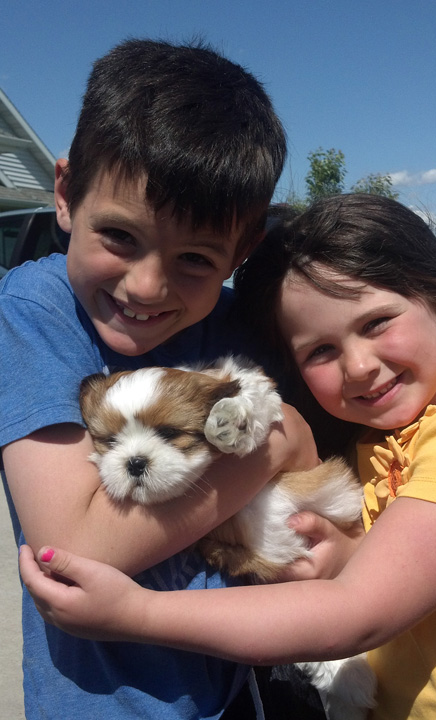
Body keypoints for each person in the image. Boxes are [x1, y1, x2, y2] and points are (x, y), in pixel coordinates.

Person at [20, 194, 436, 720]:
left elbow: (359, 611)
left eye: (377, 323)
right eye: (320, 351)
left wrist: (135, 611)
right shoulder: (378, 437)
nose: (358, 366)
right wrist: (347, 553)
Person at [0, 37, 324, 720]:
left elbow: (316, 518)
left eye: (197, 259)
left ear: (244, 250)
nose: (147, 286)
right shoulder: (37, 312)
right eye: (120, 236)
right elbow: (78, 547)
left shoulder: (238, 327)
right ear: (64, 194)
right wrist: (280, 440)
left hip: (248, 691)